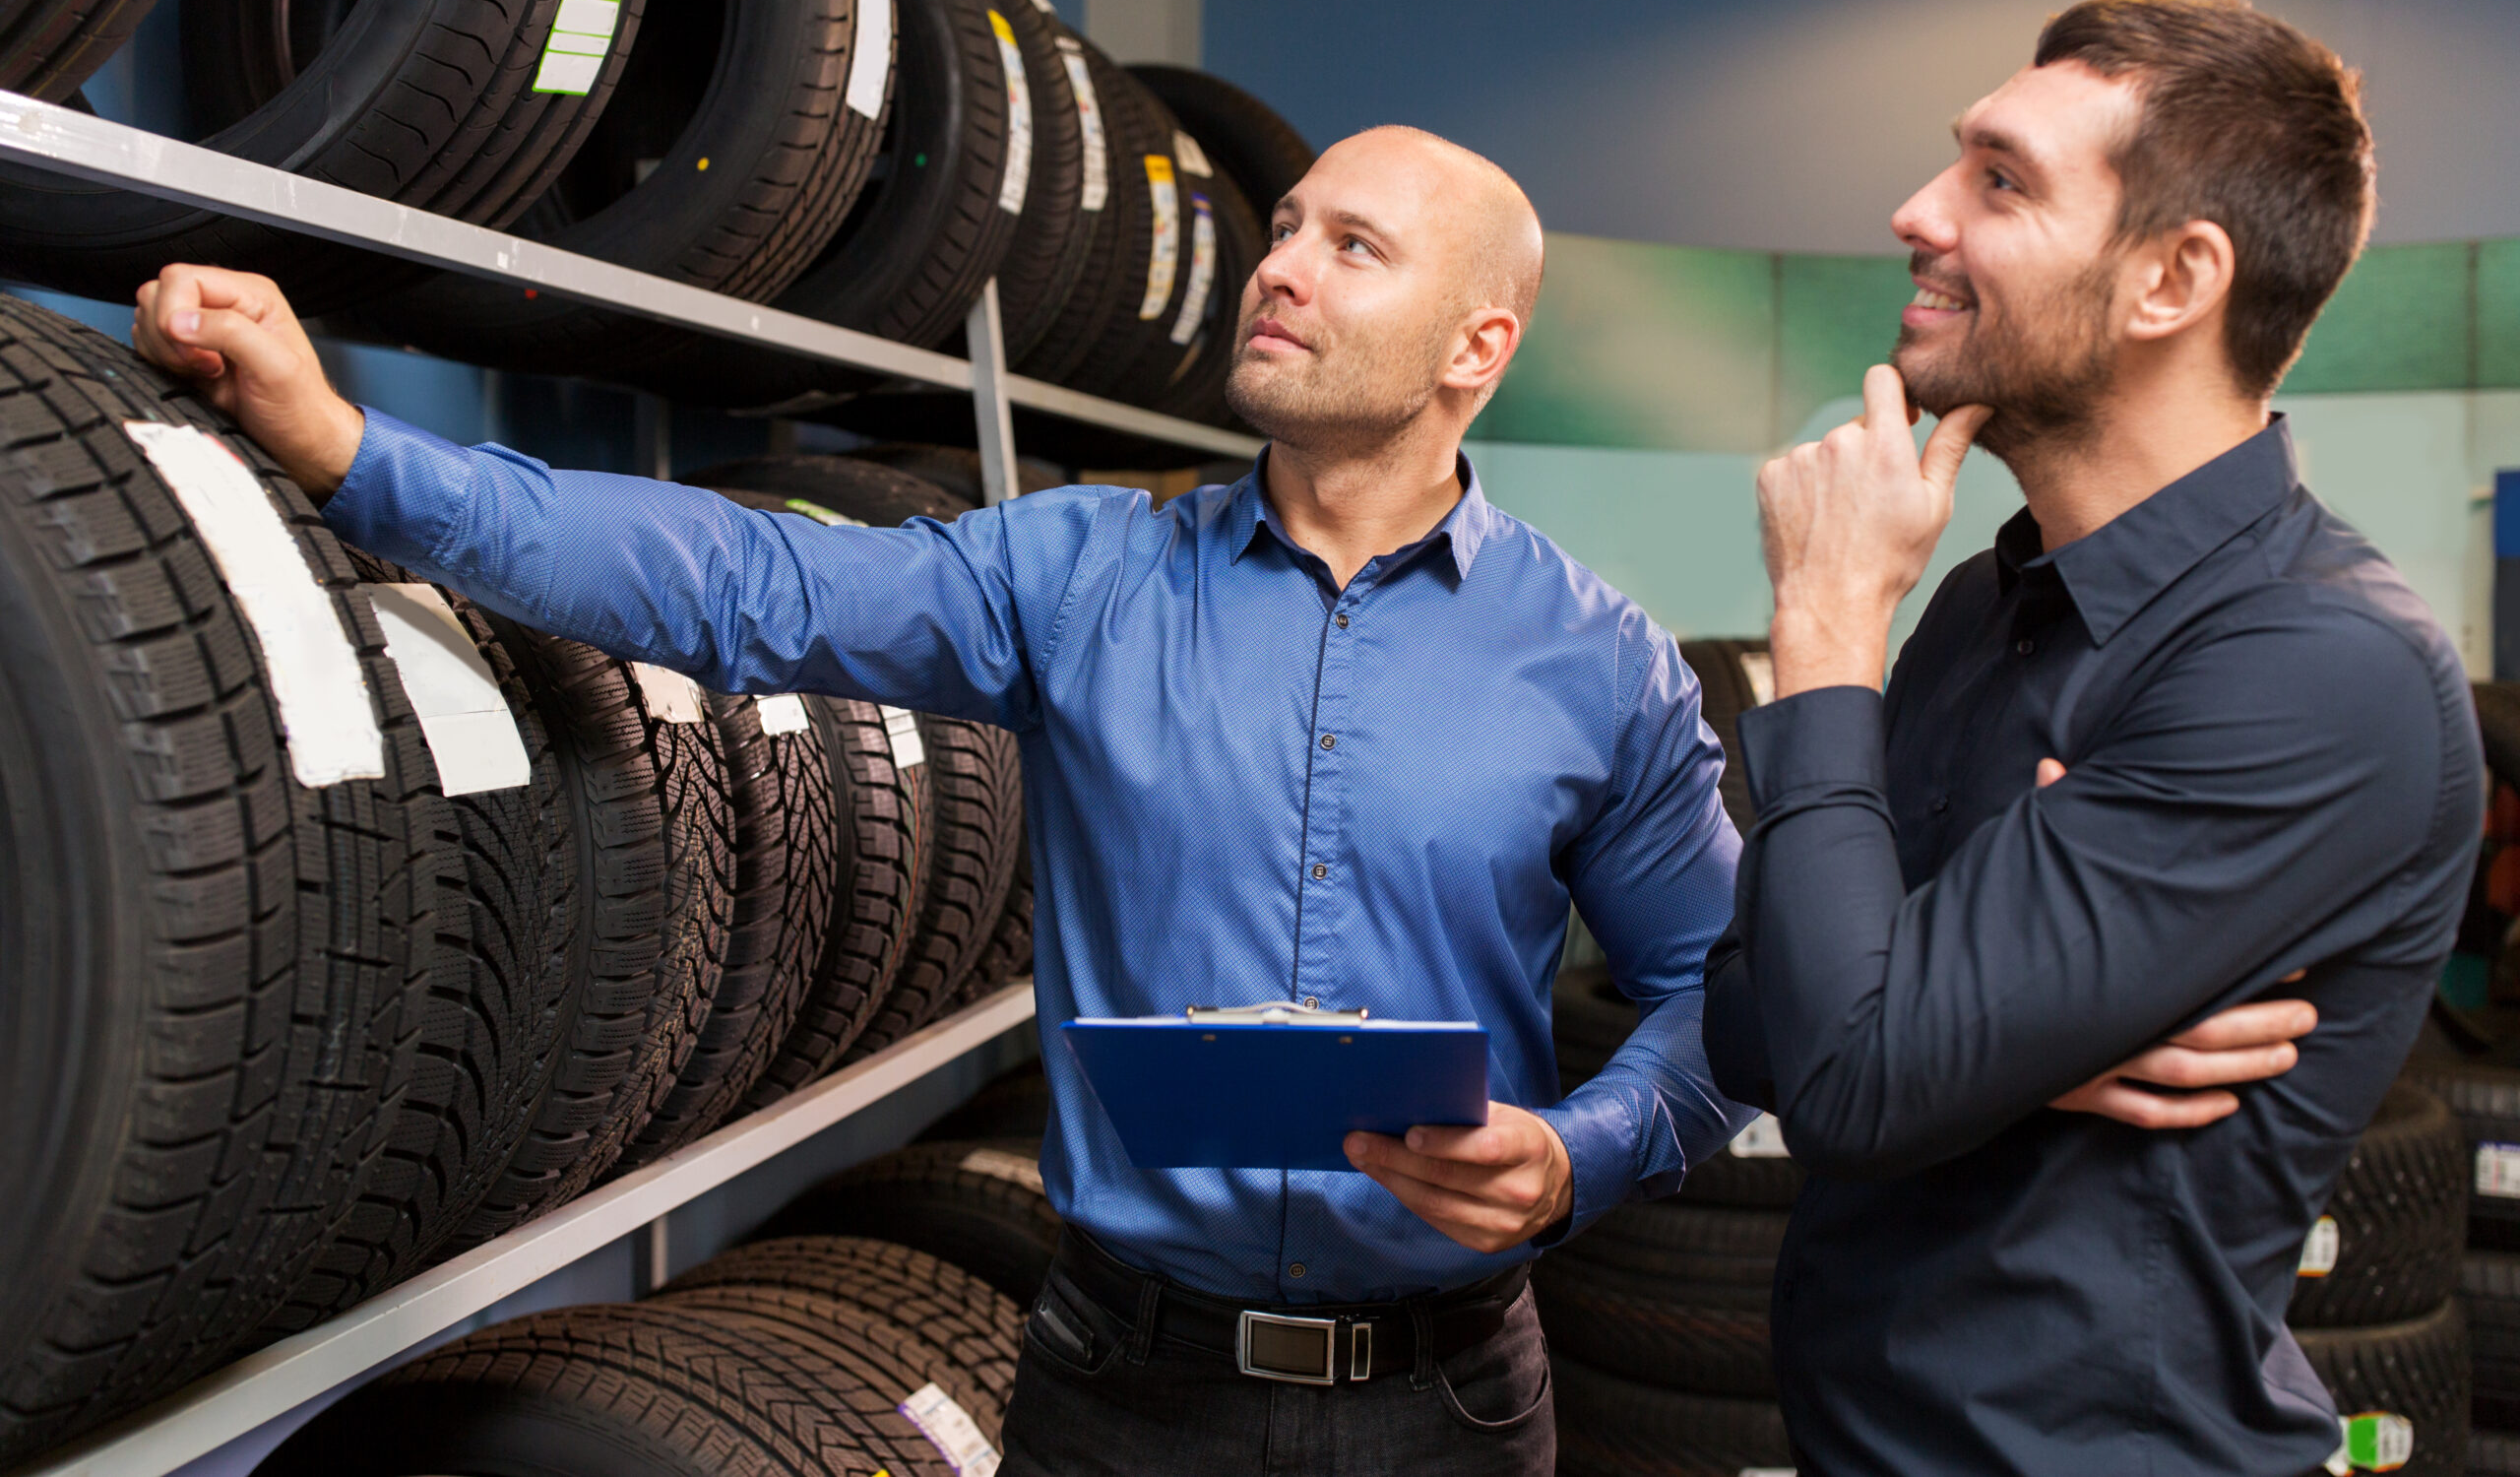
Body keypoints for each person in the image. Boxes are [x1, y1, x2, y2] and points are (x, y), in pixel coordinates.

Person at [131, 121, 2297, 1476]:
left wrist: (1570, 1155)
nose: (1277, 264)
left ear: (1475, 345)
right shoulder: (1076, 574)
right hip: (1111, 1382)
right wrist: (353, 447)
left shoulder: (1595, 659)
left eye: (1350, 246)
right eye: (1281, 227)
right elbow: (745, 581)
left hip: (1446, 1398)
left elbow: (1728, 1003)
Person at [1705, 0, 2485, 1476]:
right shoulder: (1981, 613)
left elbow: (1854, 1077)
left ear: (2172, 280)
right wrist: (1991, 1030)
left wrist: (1818, 618)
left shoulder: (2320, 667)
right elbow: (1757, 1019)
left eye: (2001, 180)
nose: (1914, 211)